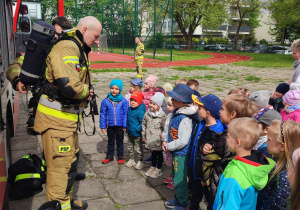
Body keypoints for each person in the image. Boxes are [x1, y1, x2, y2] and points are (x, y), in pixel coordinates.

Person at [32, 16, 101, 210]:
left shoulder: (77, 46)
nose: (97, 41)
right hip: (56, 121)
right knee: (60, 169)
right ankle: (59, 206)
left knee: (70, 163)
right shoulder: (68, 47)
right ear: (85, 29)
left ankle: (65, 201)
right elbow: (69, 86)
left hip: (66, 120)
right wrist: (88, 92)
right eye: (96, 36)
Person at [7, 16, 72, 134]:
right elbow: (14, 66)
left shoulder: (70, 54)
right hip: (44, 106)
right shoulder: (41, 52)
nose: (57, 38)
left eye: (61, 35)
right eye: (55, 34)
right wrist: (17, 80)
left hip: (66, 111)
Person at [213, 118, 275, 210]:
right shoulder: (255, 165)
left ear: (238, 142)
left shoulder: (234, 174)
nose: (226, 139)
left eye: (228, 136)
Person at [188, 94, 230, 210]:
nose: (197, 110)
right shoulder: (200, 124)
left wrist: (204, 178)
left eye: (200, 108)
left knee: (209, 199)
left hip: (206, 175)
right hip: (194, 169)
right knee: (194, 195)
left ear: (208, 113)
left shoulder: (218, 132)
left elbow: (214, 158)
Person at [163, 84, 198, 210]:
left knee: (179, 180)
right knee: (177, 176)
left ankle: (182, 205)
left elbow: (183, 141)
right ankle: (179, 199)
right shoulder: (178, 112)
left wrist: (168, 146)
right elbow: (171, 131)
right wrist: (165, 141)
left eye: (174, 98)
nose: (171, 100)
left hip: (181, 154)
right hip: (175, 151)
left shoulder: (185, 118)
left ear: (182, 102)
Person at [256, 120, 299, 210]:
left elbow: (274, 206)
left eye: (269, 139)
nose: (266, 142)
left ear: (282, 147)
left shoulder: (284, 179)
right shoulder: (273, 158)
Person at [100, 79, 129, 164]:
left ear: (120, 90)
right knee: (110, 141)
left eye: (116, 89)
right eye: (112, 88)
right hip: (110, 126)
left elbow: (125, 114)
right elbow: (103, 114)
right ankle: (110, 155)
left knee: (120, 142)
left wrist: (124, 125)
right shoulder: (105, 101)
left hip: (120, 126)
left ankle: (120, 156)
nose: (114, 90)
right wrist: (103, 126)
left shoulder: (123, 101)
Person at [142, 92, 166, 178]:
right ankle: (153, 166)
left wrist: (163, 138)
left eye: (154, 104)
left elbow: (165, 128)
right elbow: (144, 124)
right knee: (153, 154)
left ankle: (158, 168)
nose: (151, 105)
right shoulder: (147, 114)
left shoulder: (162, 116)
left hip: (158, 141)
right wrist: (144, 135)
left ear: (158, 106)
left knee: (159, 154)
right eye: (151, 103)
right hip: (150, 139)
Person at [126, 91, 146, 169]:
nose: (132, 102)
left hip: (137, 133)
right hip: (130, 131)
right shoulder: (129, 109)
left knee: (139, 148)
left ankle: (140, 161)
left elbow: (142, 123)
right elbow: (128, 119)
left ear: (140, 101)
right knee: (130, 147)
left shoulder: (140, 111)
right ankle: (131, 159)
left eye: (135, 100)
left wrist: (137, 129)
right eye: (131, 100)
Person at [162, 97, 175, 189]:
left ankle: (175, 180)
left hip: (173, 143)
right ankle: (172, 175)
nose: (168, 107)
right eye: (167, 105)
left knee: (176, 163)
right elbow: (166, 128)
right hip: (167, 141)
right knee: (171, 161)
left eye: (170, 105)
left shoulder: (176, 117)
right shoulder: (169, 115)